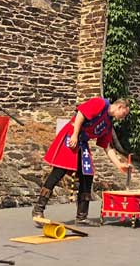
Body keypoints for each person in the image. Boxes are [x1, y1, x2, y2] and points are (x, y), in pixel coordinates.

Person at [32, 97, 132, 226]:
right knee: (59, 171)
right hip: (72, 135)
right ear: (119, 107)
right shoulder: (100, 103)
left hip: (82, 142)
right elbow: (81, 114)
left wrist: (119, 164)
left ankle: (82, 217)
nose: (122, 117)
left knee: (87, 175)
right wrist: (74, 134)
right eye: (124, 114)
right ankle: (38, 209)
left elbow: (107, 146)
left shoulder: (108, 124)